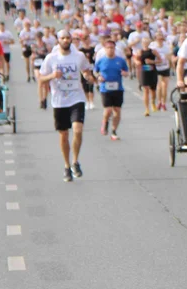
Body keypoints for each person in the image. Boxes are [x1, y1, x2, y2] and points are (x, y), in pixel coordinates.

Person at [39, 30, 95, 182]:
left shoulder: (79, 56)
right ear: (58, 40)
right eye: (62, 38)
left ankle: (75, 162)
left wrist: (88, 77)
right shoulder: (51, 58)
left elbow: (86, 70)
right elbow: (41, 78)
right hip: (59, 101)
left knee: (77, 130)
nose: (65, 40)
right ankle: (66, 165)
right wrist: (52, 76)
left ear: (71, 40)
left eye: (67, 37)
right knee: (64, 135)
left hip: (76, 98)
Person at [94, 39, 129, 140]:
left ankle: (114, 131)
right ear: (105, 49)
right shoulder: (101, 61)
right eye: (108, 48)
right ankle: (105, 123)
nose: (110, 50)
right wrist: (98, 77)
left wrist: (125, 74)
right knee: (108, 110)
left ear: (115, 49)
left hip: (118, 88)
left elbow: (126, 72)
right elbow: (95, 72)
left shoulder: (120, 60)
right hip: (105, 88)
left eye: (112, 48)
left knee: (117, 110)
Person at [136, 37, 160, 116]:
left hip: (152, 71)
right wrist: (138, 62)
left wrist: (152, 61)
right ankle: (147, 109)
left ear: (149, 42)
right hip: (144, 72)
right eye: (144, 42)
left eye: (147, 41)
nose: (145, 43)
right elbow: (135, 59)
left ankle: (152, 102)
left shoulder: (153, 51)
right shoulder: (140, 51)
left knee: (153, 90)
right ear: (142, 43)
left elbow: (160, 60)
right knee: (145, 90)